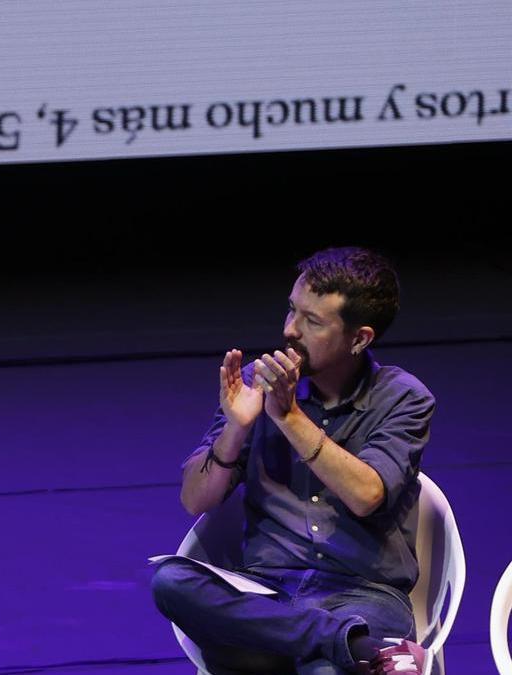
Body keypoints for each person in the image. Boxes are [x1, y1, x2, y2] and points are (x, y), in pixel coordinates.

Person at [151, 247, 434, 675]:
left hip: (363, 594)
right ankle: (351, 645)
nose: (289, 331)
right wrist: (237, 429)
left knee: (312, 670)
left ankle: (309, 644)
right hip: (266, 590)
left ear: (359, 339)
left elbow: (366, 495)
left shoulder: (403, 398)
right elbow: (194, 500)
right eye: (291, 311)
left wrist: (289, 417)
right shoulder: (254, 384)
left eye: (312, 322)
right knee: (171, 582)